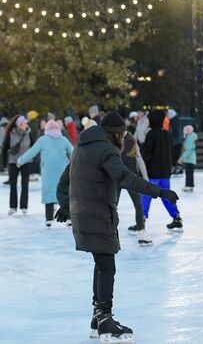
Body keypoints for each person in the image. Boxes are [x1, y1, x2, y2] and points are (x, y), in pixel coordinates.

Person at [55, 111, 179, 341]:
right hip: (99, 214)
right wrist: (158, 191)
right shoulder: (107, 149)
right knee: (107, 266)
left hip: (82, 215)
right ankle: (105, 320)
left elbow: (65, 180)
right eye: (122, 133)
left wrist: (65, 207)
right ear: (116, 134)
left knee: (101, 264)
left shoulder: (81, 147)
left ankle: (97, 318)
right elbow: (125, 178)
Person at [16, 120, 73, 227]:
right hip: (62, 170)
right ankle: (69, 218)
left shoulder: (43, 140)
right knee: (64, 191)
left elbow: (31, 152)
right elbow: (73, 152)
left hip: (48, 171)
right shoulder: (63, 140)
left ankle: (49, 218)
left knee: (49, 192)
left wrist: (20, 161)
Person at [141, 110, 183, 230]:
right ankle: (176, 217)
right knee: (166, 195)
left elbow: (147, 155)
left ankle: (141, 219)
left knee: (146, 194)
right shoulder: (166, 134)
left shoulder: (151, 135)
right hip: (165, 172)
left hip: (152, 172)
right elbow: (171, 151)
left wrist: (143, 170)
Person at [120, 131, 152, 246]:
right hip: (129, 177)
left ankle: (141, 232)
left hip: (121, 177)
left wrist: (146, 179)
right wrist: (146, 178)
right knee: (138, 205)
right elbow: (139, 159)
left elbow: (139, 159)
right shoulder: (130, 140)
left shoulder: (114, 140)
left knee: (137, 205)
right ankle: (141, 233)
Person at [3, 115, 34, 215]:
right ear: (19, 124)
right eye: (24, 122)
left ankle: (24, 206)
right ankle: (13, 207)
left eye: (26, 122)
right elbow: (4, 148)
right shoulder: (10, 134)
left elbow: (33, 147)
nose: (26, 124)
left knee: (25, 184)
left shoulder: (28, 133)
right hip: (13, 162)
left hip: (26, 162)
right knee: (13, 184)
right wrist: (4, 163)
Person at [181, 125, 197, 192]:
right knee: (189, 172)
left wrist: (182, 157)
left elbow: (189, 148)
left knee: (189, 172)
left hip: (189, 158)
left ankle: (189, 185)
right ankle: (189, 185)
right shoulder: (190, 136)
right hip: (189, 158)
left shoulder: (190, 137)